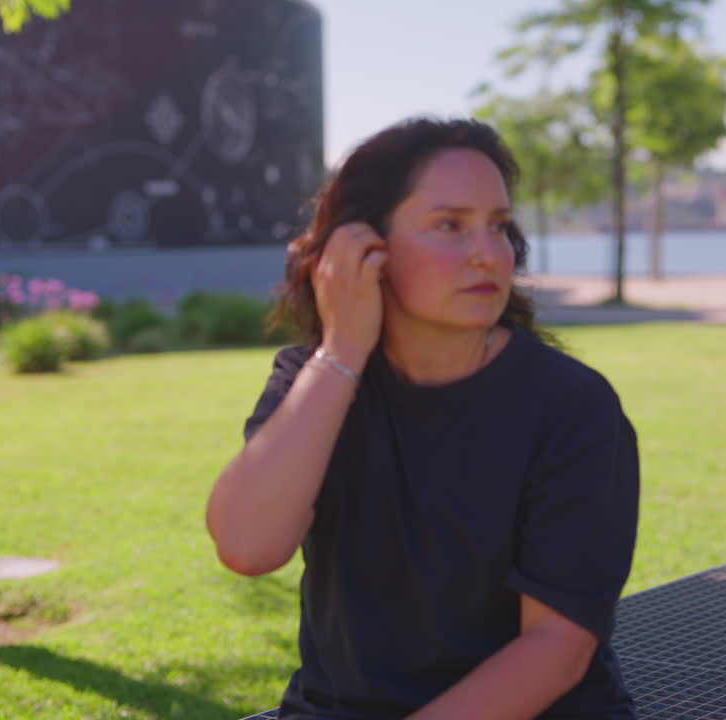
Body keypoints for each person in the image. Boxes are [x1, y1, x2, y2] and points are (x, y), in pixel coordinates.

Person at [206, 117, 640, 719]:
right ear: (360, 246)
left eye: (498, 226)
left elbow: (556, 647)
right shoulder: (313, 381)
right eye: (449, 225)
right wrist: (341, 355)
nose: (488, 254)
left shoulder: (572, 406)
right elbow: (248, 547)